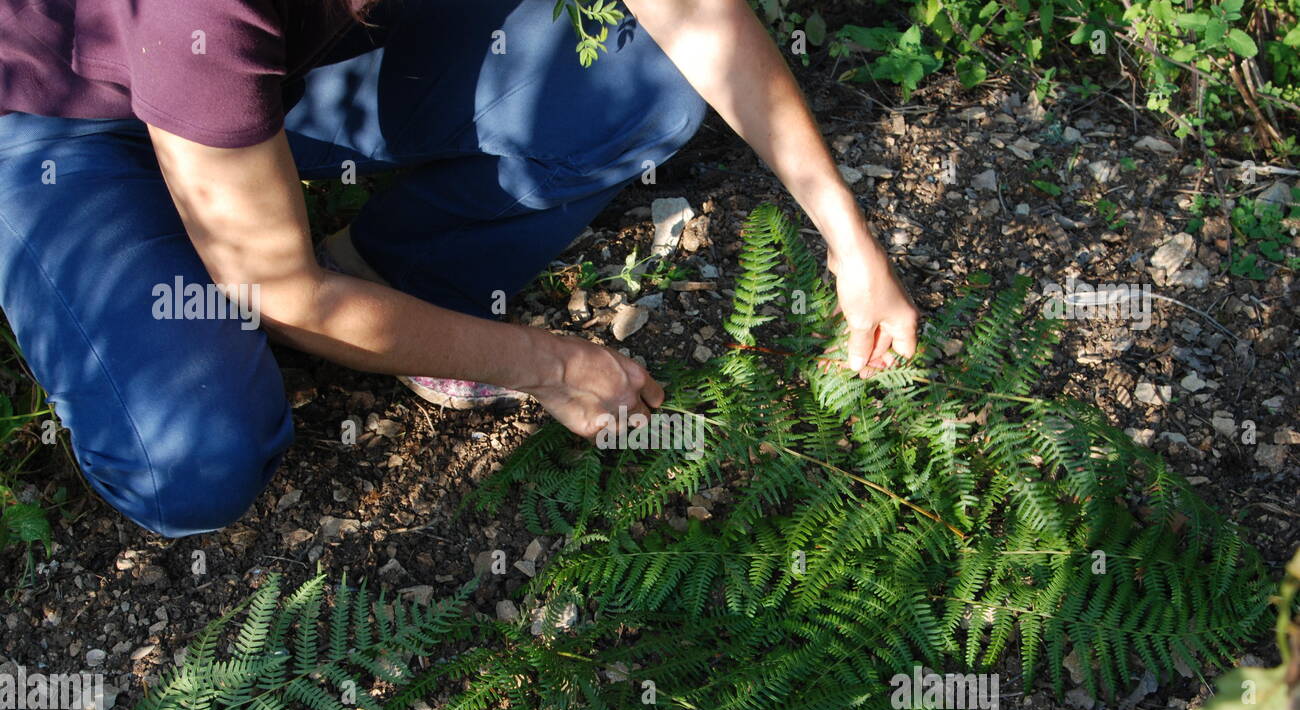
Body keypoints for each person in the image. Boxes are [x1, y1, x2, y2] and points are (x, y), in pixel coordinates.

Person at [0, 0, 919, 538]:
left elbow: (689, 14)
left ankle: (383, 271)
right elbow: (279, 295)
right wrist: (550, 365)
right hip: (65, 121)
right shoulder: (196, 12)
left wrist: (848, 237)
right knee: (189, 460)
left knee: (635, 82)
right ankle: (151, 257)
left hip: (293, 66)